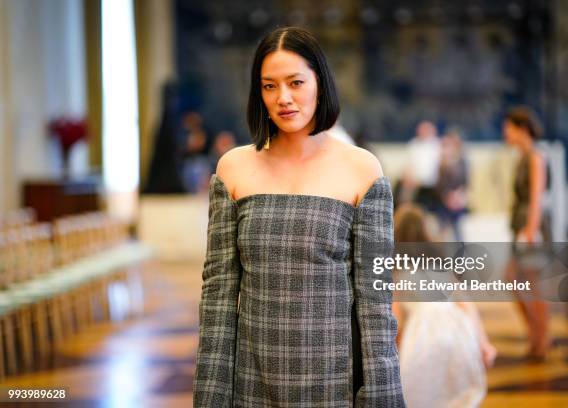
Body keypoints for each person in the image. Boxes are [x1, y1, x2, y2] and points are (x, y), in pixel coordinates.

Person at [193, 27, 404, 406]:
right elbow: (218, 296)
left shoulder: (362, 169)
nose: (283, 98)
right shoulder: (234, 168)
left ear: (320, 84)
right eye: (269, 86)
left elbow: (375, 299)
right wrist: (209, 396)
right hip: (251, 382)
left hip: (334, 381)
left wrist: (383, 397)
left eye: (295, 82)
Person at [391, 204, 496, 408]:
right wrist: (483, 343)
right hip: (457, 329)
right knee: (459, 394)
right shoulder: (440, 263)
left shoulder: (396, 272)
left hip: (422, 336)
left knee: (422, 396)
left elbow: (395, 318)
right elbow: (465, 304)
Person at [503, 106, 552, 361]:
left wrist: (530, 231)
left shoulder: (536, 156)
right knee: (513, 279)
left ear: (521, 129)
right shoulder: (523, 156)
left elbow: (537, 197)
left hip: (530, 230)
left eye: (509, 128)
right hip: (520, 227)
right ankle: (536, 335)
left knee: (532, 284)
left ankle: (542, 339)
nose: (506, 134)